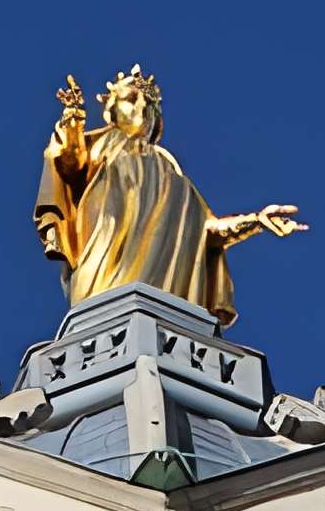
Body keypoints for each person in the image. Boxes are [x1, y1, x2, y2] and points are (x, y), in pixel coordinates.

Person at [33, 66, 303, 330]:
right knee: (98, 322)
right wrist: (73, 121)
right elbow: (68, 163)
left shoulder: (170, 170)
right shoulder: (103, 146)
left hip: (164, 287)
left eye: (144, 102)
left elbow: (205, 231)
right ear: (111, 110)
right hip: (104, 261)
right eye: (128, 99)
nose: (138, 107)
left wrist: (256, 221)